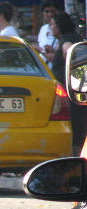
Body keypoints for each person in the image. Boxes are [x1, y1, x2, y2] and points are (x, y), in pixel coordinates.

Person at [50, 12, 84, 150]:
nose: (50, 27)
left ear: (59, 26)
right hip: (76, 85)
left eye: (52, 24)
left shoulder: (66, 39)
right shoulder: (74, 37)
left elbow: (69, 49)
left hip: (68, 86)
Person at [37, 1, 59, 68]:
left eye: (52, 11)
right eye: (47, 11)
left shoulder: (61, 30)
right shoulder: (43, 29)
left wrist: (40, 50)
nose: (50, 14)